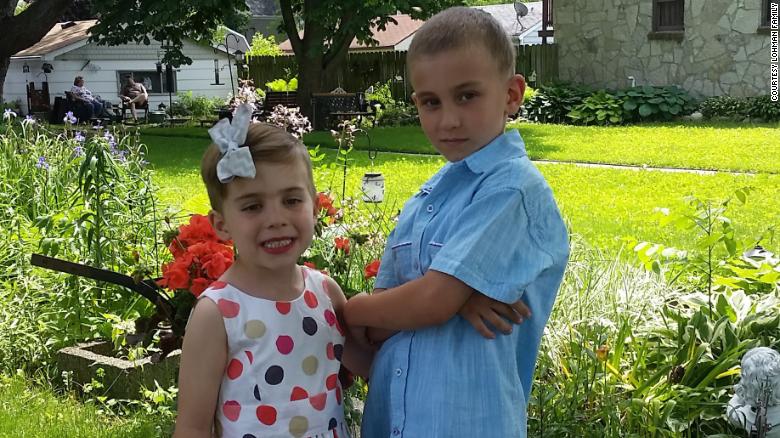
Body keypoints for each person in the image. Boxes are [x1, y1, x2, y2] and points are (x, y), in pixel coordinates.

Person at [343, 7, 569, 437]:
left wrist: (353, 307)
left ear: (511, 94)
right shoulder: (427, 197)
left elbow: (425, 303)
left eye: (467, 96)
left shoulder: (512, 190)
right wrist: (446, 301)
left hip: (468, 421)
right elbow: (380, 325)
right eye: (432, 102)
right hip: (394, 421)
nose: (448, 119)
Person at [173, 104, 373, 438]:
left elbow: (374, 368)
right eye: (253, 206)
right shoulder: (218, 312)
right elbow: (193, 427)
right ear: (221, 225)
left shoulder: (325, 292)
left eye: (292, 200)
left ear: (313, 204)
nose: (276, 219)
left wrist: (384, 311)